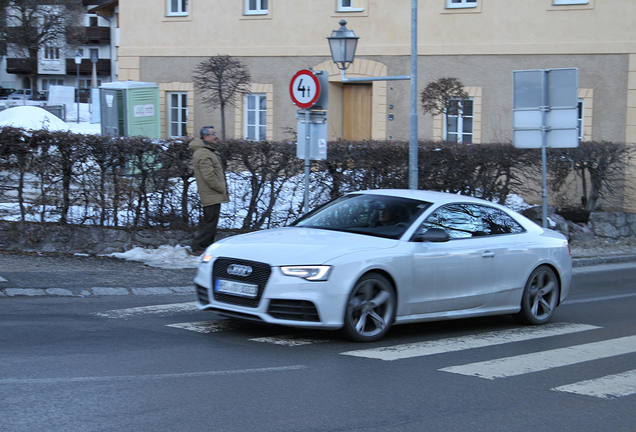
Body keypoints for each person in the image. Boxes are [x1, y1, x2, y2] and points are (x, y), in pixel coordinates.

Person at [189, 125, 229, 255]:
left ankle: (205, 246)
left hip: (213, 193)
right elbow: (208, 176)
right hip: (211, 193)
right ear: (205, 137)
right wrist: (219, 187)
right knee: (210, 222)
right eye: (213, 134)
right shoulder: (203, 153)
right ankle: (198, 246)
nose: (216, 136)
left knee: (211, 221)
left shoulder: (207, 151)